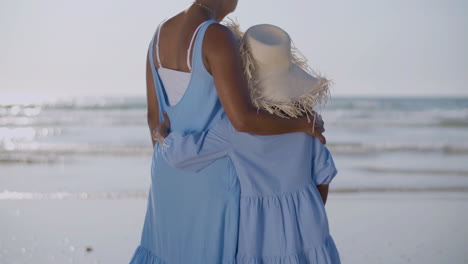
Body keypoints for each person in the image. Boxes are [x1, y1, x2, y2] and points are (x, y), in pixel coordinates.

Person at [129, 1, 326, 263]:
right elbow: (243, 120)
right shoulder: (216, 35)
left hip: (167, 171)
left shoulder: (160, 34)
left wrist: (170, 152)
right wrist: (301, 124)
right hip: (211, 179)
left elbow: (154, 119)